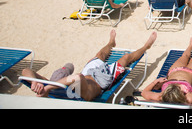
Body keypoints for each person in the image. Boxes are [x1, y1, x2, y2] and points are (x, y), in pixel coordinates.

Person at [22, 30, 157, 101]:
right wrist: (49, 87)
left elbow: (25, 70)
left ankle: (111, 43)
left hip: (88, 73)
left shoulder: (50, 89)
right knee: (127, 58)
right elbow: (77, 78)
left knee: (99, 55)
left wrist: (35, 82)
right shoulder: (76, 94)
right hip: (103, 79)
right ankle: (146, 46)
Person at [141, 36, 192, 105]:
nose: (177, 84)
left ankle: (190, 46)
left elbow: (143, 93)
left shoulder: (160, 96)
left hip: (175, 70)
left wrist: (156, 81)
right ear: (181, 94)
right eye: (179, 87)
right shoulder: (188, 99)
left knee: (184, 56)